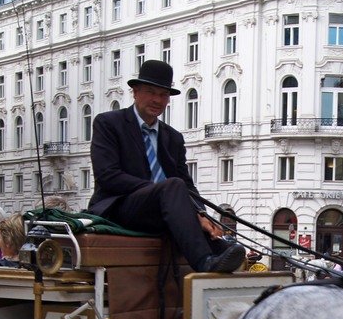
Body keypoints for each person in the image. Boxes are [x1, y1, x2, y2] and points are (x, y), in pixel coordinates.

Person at [87, 60, 244, 273]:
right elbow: (108, 177)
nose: (157, 100)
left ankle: (220, 247)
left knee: (179, 192)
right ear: (135, 92)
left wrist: (202, 214)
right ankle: (204, 261)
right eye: (151, 92)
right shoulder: (108, 123)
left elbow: (187, 185)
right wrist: (159, 191)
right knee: (173, 187)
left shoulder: (173, 137)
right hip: (120, 206)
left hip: (164, 208)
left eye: (163, 95)